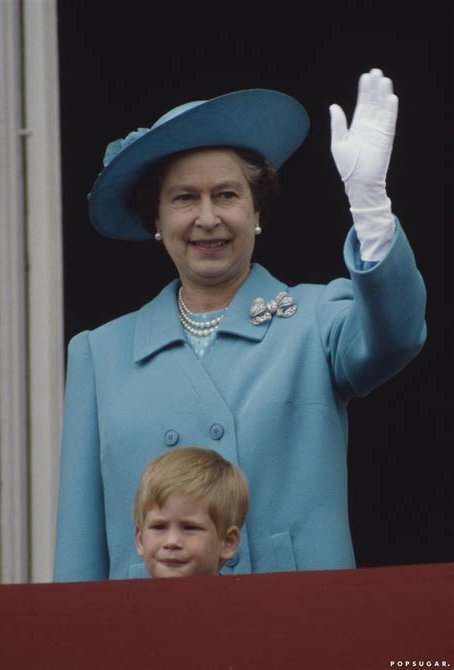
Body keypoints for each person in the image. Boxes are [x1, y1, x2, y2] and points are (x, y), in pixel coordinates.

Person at [54, 68, 427, 581]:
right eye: (184, 198)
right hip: (147, 639)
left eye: (226, 195)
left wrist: (370, 209)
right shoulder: (100, 353)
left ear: (257, 211)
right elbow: (79, 544)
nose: (208, 218)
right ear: (157, 222)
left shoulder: (315, 319)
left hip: (296, 625)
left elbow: (397, 334)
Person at [133, 446, 248, 578]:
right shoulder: (127, 599)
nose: (171, 542)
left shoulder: (242, 599)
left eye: (189, 527)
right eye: (159, 527)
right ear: (140, 540)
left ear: (228, 542)